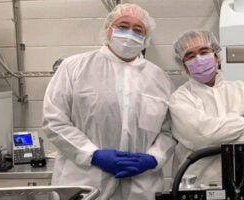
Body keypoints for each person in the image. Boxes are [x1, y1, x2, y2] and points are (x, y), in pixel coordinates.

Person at [42, 3, 176, 200]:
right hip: (84, 183)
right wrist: (92, 154)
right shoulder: (74, 67)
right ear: (108, 29)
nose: (129, 33)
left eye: (138, 29)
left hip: (140, 186)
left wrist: (153, 158)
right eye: (122, 26)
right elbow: (54, 120)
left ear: (145, 38)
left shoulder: (159, 79)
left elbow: (169, 130)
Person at [169, 30, 244, 200]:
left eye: (203, 52)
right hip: (197, 182)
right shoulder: (180, 98)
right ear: (185, 66)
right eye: (190, 56)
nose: (198, 59)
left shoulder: (240, 89)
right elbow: (200, 136)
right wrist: (242, 121)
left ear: (217, 57)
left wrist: (214, 139)